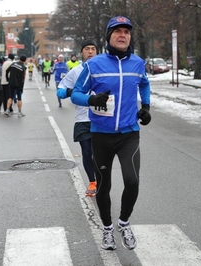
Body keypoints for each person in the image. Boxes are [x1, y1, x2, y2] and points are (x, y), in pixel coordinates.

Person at [71, 16, 151, 251]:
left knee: (132, 181)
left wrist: (145, 107)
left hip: (129, 134)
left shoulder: (137, 63)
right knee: (103, 187)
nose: (122, 35)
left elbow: (144, 84)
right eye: (117, 31)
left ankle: (124, 222)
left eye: (126, 31)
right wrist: (90, 99)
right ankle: (107, 229)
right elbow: (75, 94)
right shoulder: (93, 65)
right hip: (101, 135)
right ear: (108, 36)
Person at [57, 38, 99, 197]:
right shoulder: (75, 71)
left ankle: (102, 180)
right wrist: (71, 92)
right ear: (82, 52)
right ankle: (92, 181)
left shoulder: (105, 70)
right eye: (87, 49)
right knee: (87, 152)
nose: (90, 51)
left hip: (101, 119)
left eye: (93, 49)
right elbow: (60, 90)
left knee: (100, 154)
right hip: (82, 119)